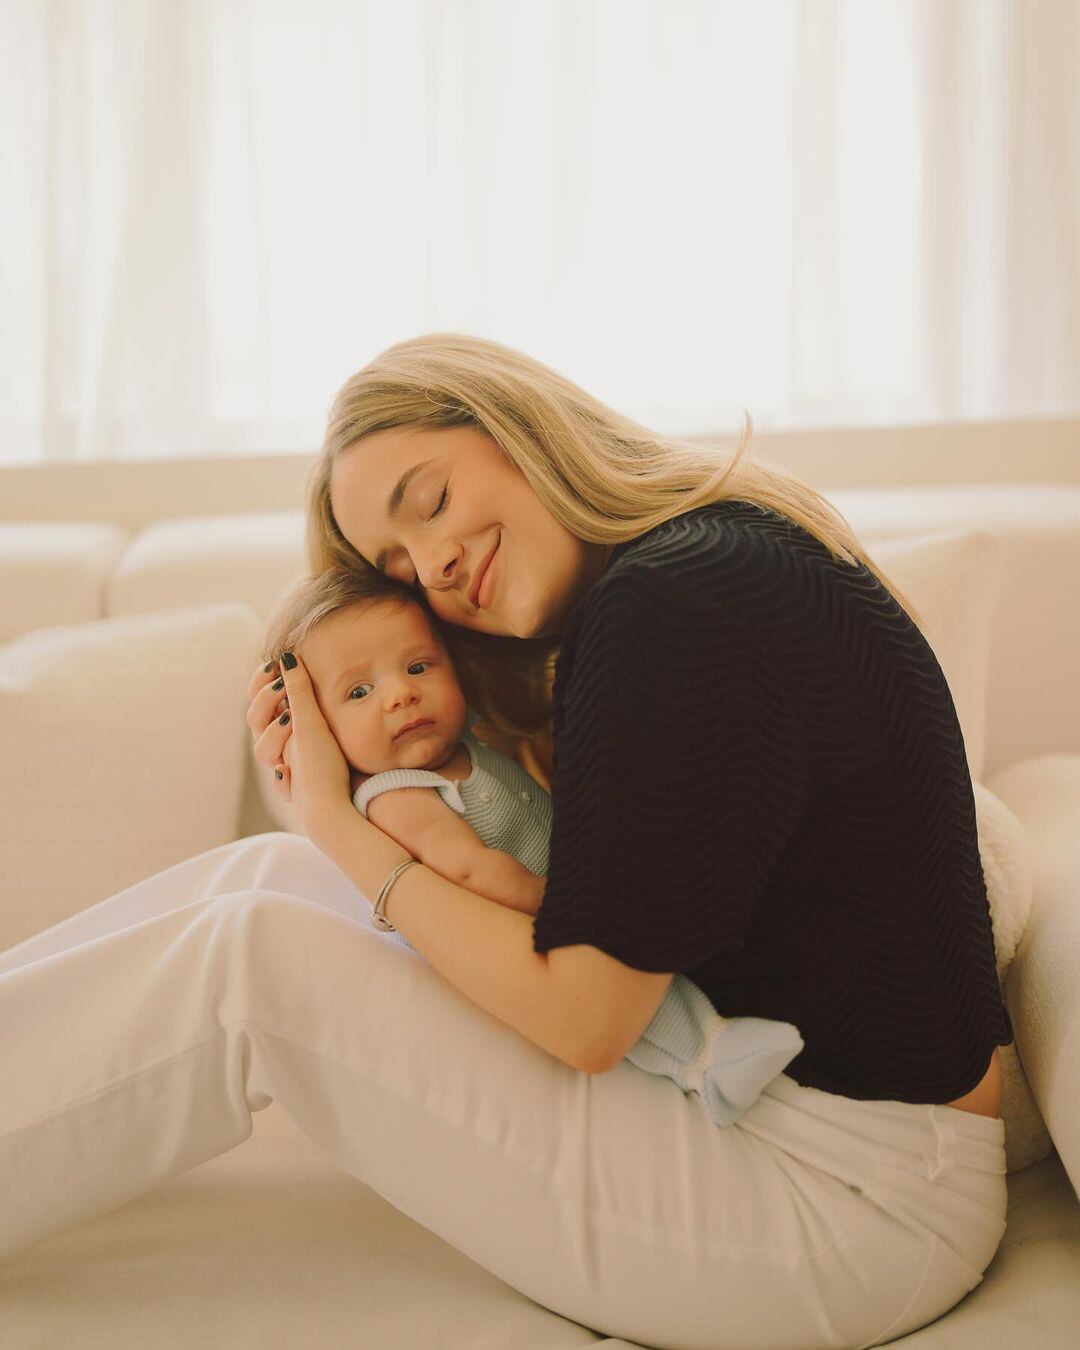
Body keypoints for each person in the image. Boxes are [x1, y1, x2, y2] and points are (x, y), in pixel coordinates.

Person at [0, 333, 1012, 1350]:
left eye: (431, 500)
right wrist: (358, 807)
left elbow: (587, 1019)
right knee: (268, 876)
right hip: (804, 1132)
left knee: (253, 958)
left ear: (520, 427)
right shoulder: (700, 561)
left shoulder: (671, 605)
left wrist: (340, 822)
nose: (433, 563)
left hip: (854, 1205)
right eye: (398, 565)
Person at [260, 564, 805, 1129]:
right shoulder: (396, 796)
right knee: (644, 1011)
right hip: (530, 926)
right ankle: (707, 1063)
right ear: (318, 733)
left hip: (570, 905)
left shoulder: (462, 744)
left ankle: (716, 1038)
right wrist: (561, 902)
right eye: (359, 691)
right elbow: (469, 871)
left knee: (654, 980)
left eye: (419, 666)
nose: (401, 694)